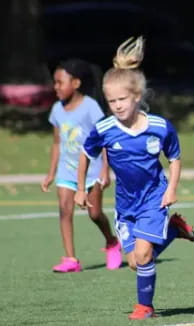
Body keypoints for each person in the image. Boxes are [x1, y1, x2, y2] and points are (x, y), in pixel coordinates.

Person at [74, 36, 194, 320]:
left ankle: (145, 307)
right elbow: (85, 153)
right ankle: (174, 230)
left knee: (143, 255)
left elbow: (175, 157)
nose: (117, 106)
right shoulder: (105, 128)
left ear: (137, 97)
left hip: (154, 195)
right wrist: (81, 189)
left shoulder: (159, 127)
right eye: (111, 101)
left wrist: (172, 189)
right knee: (134, 262)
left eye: (122, 99)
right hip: (126, 203)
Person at [41, 58, 122, 272]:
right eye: (55, 82)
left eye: (60, 82)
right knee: (64, 210)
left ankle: (112, 242)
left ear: (76, 83)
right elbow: (57, 143)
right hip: (66, 171)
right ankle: (70, 259)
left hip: (91, 170)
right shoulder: (57, 110)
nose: (55, 87)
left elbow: (103, 140)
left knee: (94, 214)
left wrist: (106, 169)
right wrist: (50, 173)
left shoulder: (90, 107)